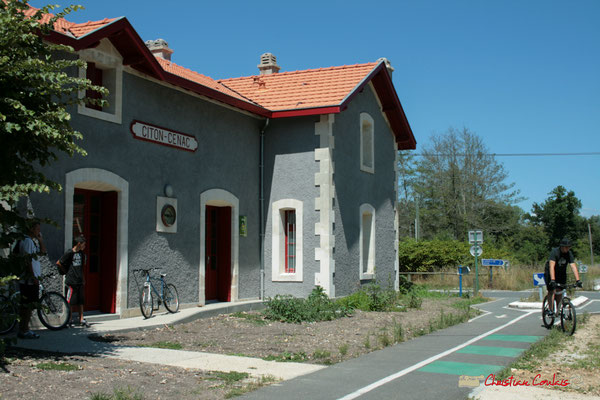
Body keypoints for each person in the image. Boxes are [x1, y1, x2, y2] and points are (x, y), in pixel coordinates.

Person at [18, 221, 46, 339]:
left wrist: (40, 241)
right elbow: (28, 260)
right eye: (37, 229)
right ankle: (24, 330)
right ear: (31, 229)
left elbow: (43, 252)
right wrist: (33, 276)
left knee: (28, 306)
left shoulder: (31, 241)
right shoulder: (28, 241)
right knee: (28, 306)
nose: (39, 231)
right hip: (29, 280)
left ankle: (24, 329)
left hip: (29, 279)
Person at [544, 237, 583, 316]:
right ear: (561, 246)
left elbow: (573, 266)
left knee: (560, 291)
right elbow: (552, 266)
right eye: (566, 247)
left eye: (569, 247)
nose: (567, 249)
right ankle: (551, 310)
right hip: (550, 272)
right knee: (552, 290)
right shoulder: (555, 252)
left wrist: (578, 280)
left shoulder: (569, 254)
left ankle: (559, 310)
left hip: (561, 273)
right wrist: (553, 280)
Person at [56, 236, 88, 327]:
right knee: (70, 301)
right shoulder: (70, 253)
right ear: (79, 244)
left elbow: (81, 267)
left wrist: (83, 278)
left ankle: (81, 318)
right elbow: (59, 262)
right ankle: (69, 319)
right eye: (83, 244)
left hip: (79, 280)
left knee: (81, 300)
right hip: (71, 280)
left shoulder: (81, 254)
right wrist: (66, 271)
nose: (84, 246)